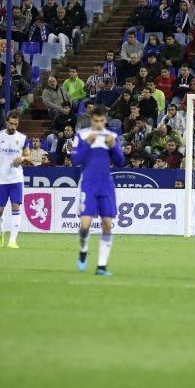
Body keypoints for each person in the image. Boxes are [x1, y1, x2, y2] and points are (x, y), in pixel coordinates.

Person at [71, 105, 126, 276]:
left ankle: (101, 266)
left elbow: (120, 161)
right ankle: (83, 251)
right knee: (85, 225)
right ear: (91, 120)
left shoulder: (112, 136)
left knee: (107, 224)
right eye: (96, 121)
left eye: (102, 121)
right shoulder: (81, 135)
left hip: (106, 185)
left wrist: (114, 147)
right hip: (88, 184)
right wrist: (87, 144)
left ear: (105, 120)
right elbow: (75, 160)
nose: (99, 124)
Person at [0, 111, 31, 250]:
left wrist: (22, 159)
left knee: (16, 206)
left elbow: (28, 157)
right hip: (0, 179)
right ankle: (0, 233)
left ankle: (13, 240)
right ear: (6, 122)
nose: (13, 127)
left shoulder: (22, 138)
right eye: (11, 124)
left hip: (16, 178)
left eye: (16, 124)